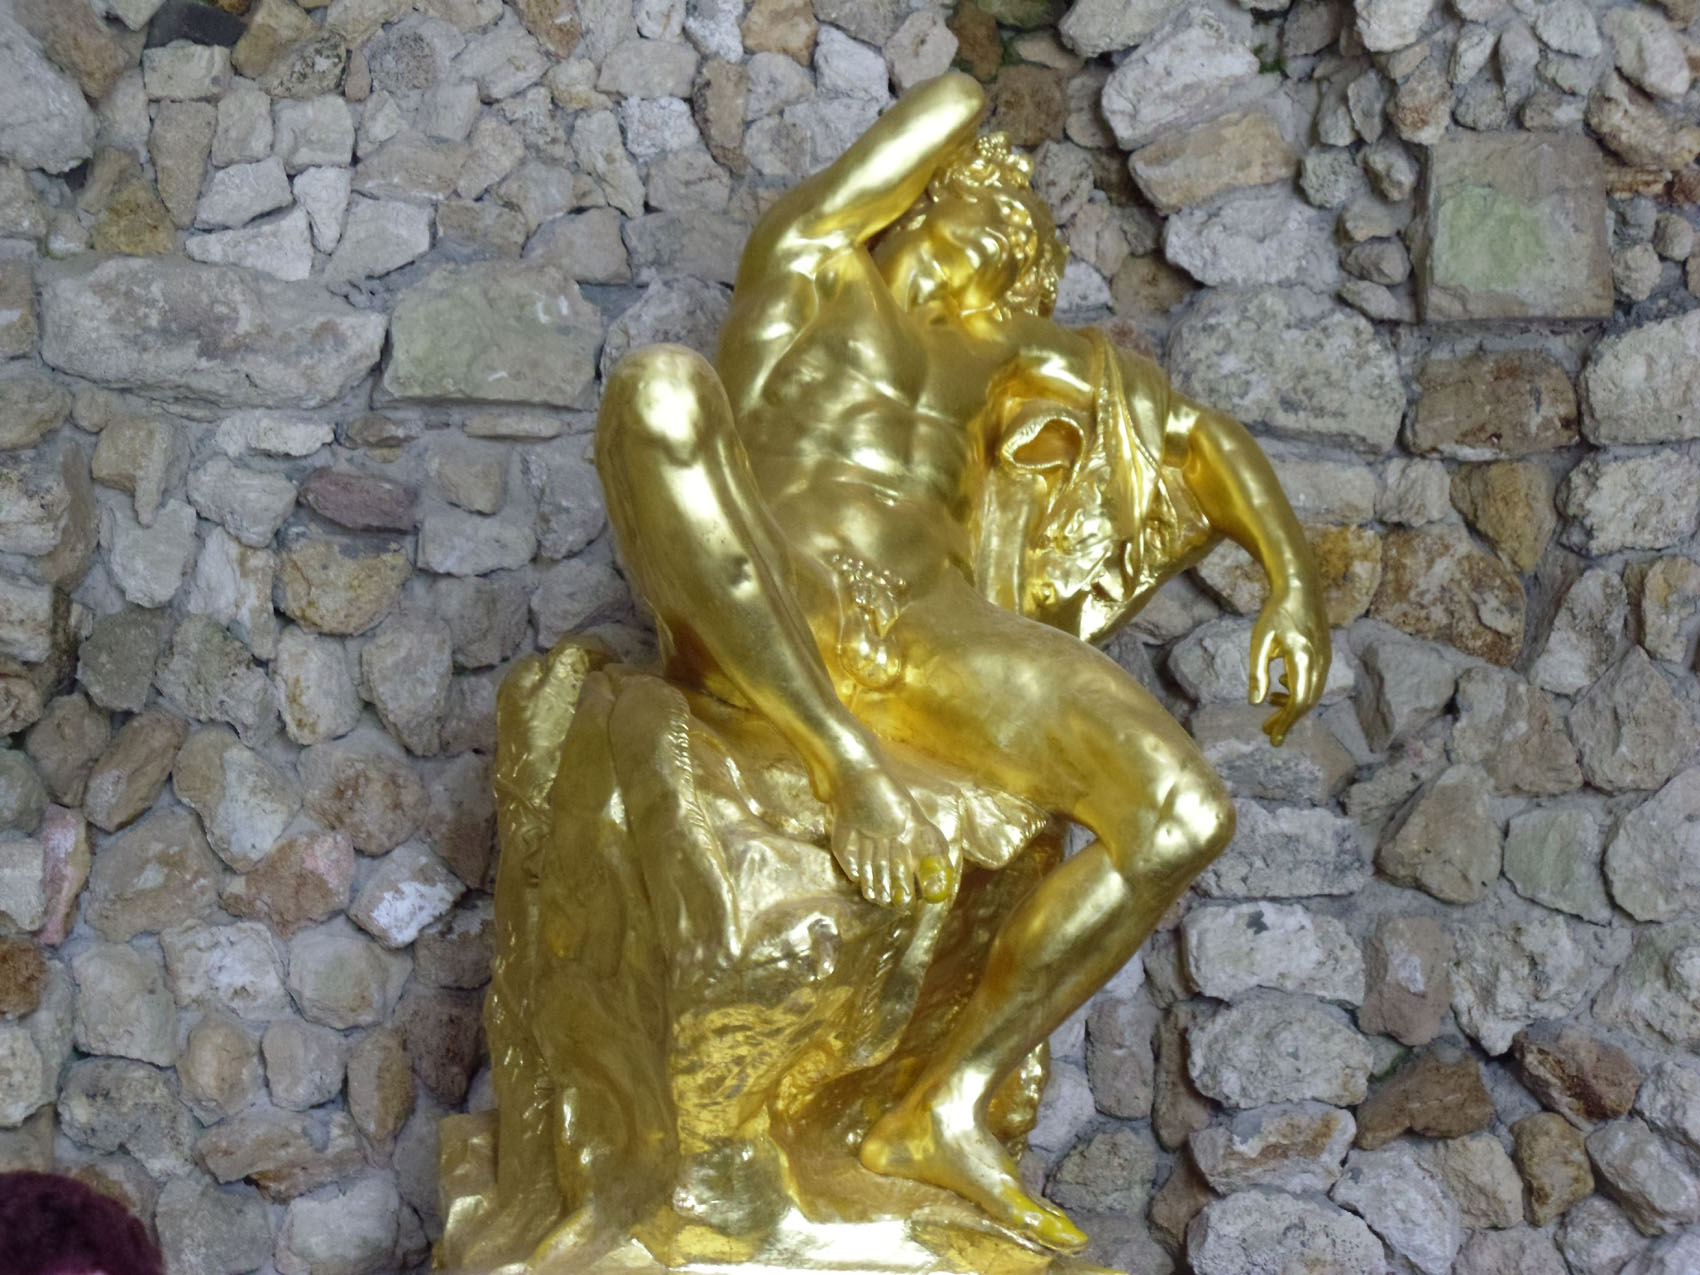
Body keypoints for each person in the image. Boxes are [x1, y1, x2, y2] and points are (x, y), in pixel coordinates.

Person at [595, 71, 1330, 1252]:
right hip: (764, 586)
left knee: (1181, 815)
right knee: (658, 388)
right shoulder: (810, 263)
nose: (1007, 242)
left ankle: (939, 1107)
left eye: (1024, 241)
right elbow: (944, 103)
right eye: (990, 210)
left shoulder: (1001, 357)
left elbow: (1195, 438)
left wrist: (1290, 586)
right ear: (921, 196)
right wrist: (983, 106)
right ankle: (841, 760)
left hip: (928, 628)